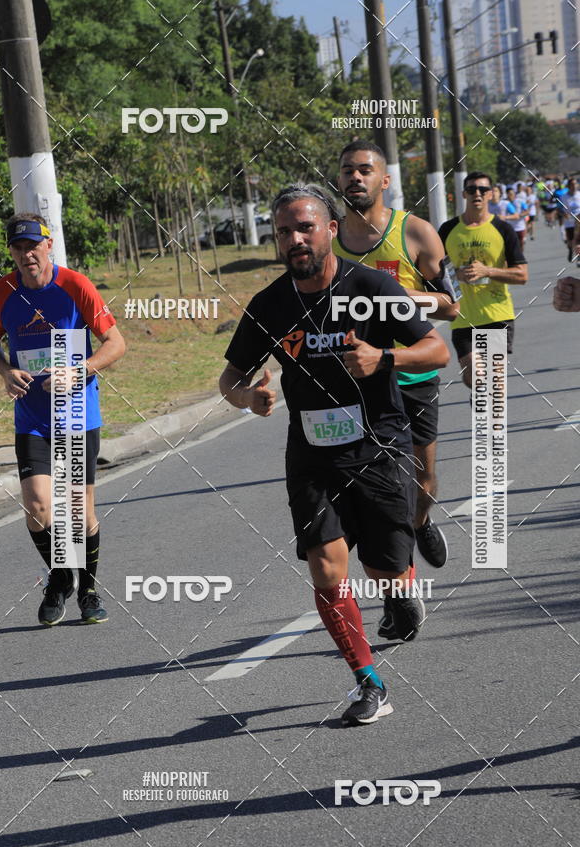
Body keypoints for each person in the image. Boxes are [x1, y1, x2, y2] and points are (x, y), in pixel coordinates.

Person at [219, 184, 450, 726]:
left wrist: (385, 357)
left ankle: (400, 587)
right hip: (312, 454)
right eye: (283, 231)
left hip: (377, 446)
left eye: (304, 227)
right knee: (326, 567)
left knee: (384, 568)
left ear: (328, 229)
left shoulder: (370, 285)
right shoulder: (270, 305)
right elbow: (230, 377)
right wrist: (246, 397)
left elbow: (436, 349)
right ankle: (368, 681)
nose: (294, 239)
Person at [0, 213, 125, 625]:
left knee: (79, 512)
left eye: (33, 245)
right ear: (10, 252)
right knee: (38, 506)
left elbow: (116, 343)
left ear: (48, 245)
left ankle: (89, 592)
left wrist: (79, 370)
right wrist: (6, 371)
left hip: (77, 413)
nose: (27, 254)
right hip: (31, 417)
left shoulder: (74, 286)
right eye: (17, 248)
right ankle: (62, 577)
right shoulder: (0, 294)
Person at [332, 138, 460, 588]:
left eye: (365, 170)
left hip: (414, 373)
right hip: (359, 382)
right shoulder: (328, 240)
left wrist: (402, 297)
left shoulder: (416, 232)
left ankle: (422, 521)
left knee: (422, 478)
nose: (355, 177)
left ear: (384, 180)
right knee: (382, 486)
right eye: (348, 170)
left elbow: (452, 305)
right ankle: (399, 587)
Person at [438, 172, 528, 391]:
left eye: (483, 190)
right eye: (471, 190)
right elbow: (435, 271)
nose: (477, 194)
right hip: (463, 318)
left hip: (497, 314)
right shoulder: (448, 230)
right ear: (463, 194)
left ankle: (491, 422)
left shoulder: (503, 229)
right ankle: (481, 401)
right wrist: (456, 275)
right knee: (475, 377)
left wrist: (487, 270)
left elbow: (522, 275)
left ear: (490, 194)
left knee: (493, 383)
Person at [561, 177, 580, 262]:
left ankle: (578, 258)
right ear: (568, 186)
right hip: (569, 223)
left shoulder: (579, 194)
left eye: (575, 184)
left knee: (578, 241)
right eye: (572, 184)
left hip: (578, 222)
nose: (574, 186)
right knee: (571, 241)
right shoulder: (563, 197)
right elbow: (559, 209)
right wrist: (564, 214)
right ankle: (570, 250)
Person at [506, 187, 528, 253]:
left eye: (512, 194)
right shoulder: (505, 202)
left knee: (521, 244)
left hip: (520, 227)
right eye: (509, 194)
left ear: (515, 195)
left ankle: (521, 256)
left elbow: (527, 211)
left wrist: (519, 215)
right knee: (512, 245)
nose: (510, 196)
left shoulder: (520, 201)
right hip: (510, 228)